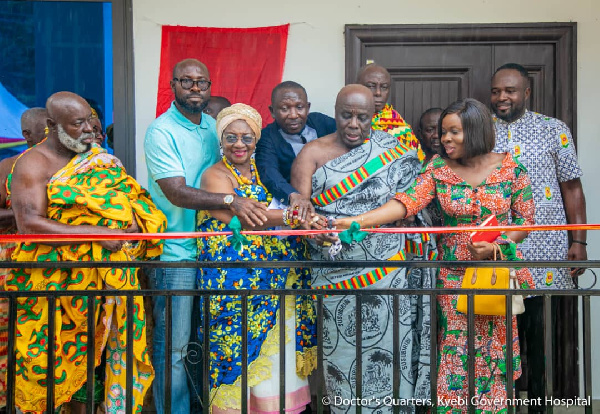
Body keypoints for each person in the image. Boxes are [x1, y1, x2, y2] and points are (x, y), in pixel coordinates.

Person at [335, 98, 536, 411]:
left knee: (495, 358)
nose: (445, 139)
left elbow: (525, 222)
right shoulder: (438, 169)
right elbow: (406, 203)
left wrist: (496, 245)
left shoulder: (512, 169)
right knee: (456, 358)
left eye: (454, 132)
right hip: (454, 280)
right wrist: (357, 221)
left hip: (496, 276)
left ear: (476, 130)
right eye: (444, 132)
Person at [6, 91, 166, 413]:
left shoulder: (98, 159)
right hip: (54, 286)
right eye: (78, 124)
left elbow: (132, 198)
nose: (89, 130)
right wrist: (96, 234)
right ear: (53, 125)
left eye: (90, 121)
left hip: (107, 286)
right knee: (51, 368)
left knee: (99, 370)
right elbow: (29, 225)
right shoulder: (33, 163)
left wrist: (133, 220)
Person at [291, 84, 433, 413]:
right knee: (342, 364)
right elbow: (302, 215)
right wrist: (316, 233)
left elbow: (412, 210)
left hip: (388, 277)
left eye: (362, 117)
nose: (353, 124)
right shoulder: (311, 153)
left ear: (374, 117)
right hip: (334, 278)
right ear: (335, 112)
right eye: (346, 115)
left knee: (391, 359)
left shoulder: (394, 150)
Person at [144, 58, 267, 414]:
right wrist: (232, 200)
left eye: (202, 82)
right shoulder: (161, 131)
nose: (195, 88)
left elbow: (237, 168)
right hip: (176, 252)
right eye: (186, 81)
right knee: (175, 348)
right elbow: (177, 192)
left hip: (218, 255)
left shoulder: (216, 127)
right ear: (173, 85)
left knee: (208, 343)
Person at [196, 103, 317, 413]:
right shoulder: (214, 176)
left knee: (279, 353)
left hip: (275, 278)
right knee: (234, 347)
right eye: (231, 138)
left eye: (247, 138)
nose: (239, 145)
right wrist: (296, 216)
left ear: (257, 139)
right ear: (220, 141)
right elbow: (250, 220)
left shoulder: (265, 173)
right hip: (234, 283)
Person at [490, 63, 587, 407]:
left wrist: (578, 241)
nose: (502, 97)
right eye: (496, 91)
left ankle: (541, 403)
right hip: (498, 251)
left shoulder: (553, 129)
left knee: (541, 336)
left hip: (546, 250)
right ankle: (505, 403)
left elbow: (572, 187)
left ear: (526, 93)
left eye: (510, 91)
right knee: (498, 338)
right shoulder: (480, 130)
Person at [0, 107, 47, 408]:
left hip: (49, 266)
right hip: (10, 263)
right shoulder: (8, 166)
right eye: (45, 130)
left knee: (42, 340)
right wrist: (24, 215)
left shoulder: (67, 165)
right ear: (27, 135)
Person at [255, 81, 336, 221]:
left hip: (333, 197)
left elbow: (346, 138)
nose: (293, 115)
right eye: (284, 109)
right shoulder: (267, 137)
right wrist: (293, 195)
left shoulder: (321, 122)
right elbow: (269, 172)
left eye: (299, 107)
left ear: (308, 107)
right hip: (298, 208)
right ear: (272, 111)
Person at [356, 64, 425, 161]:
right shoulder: (348, 121)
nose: (378, 93)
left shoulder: (399, 127)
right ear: (358, 87)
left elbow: (415, 164)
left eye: (384, 87)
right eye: (371, 86)